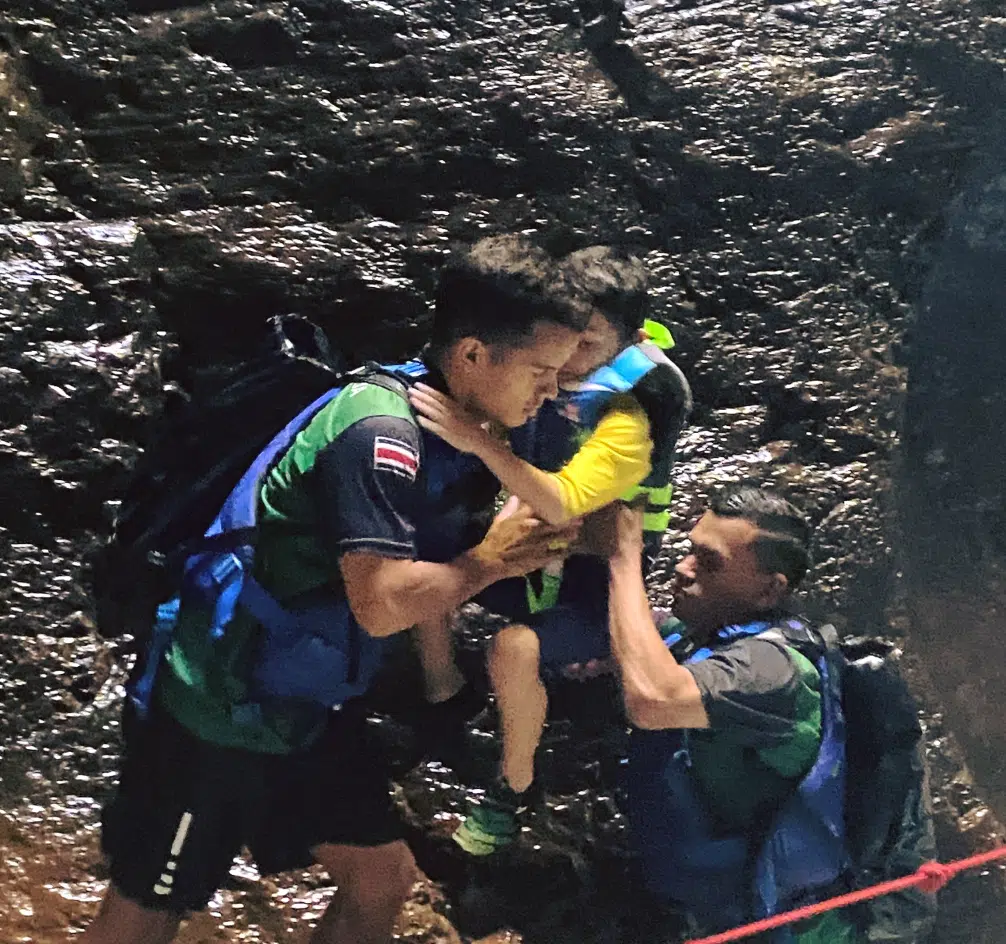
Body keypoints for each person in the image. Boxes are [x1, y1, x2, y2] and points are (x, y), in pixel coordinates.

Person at [80, 251, 588, 944]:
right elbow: (380, 603)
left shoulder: (457, 426)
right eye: (540, 370)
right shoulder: (379, 432)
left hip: (306, 702)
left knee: (379, 877)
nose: (552, 390)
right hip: (217, 707)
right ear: (473, 353)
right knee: (147, 908)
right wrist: (487, 564)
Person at [409, 241, 692, 855]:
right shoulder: (549, 370)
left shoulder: (632, 412)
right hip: (537, 546)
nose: (567, 360)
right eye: (566, 340)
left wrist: (478, 442)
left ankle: (514, 789)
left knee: (515, 646)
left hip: (596, 585)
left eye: (588, 345)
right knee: (424, 558)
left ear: (624, 341)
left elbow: (564, 500)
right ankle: (442, 692)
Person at [604, 485, 861, 943]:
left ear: (769, 589)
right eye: (689, 551)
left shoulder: (773, 671)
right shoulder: (701, 631)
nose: (683, 569)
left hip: (776, 925)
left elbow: (651, 700)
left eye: (709, 561)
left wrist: (623, 557)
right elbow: (639, 633)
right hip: (703, 897)